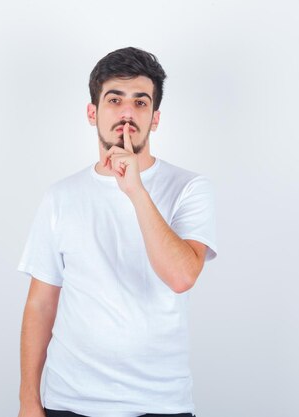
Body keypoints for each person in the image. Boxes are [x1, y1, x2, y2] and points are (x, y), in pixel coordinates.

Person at [16, 47, 218, 417]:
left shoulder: (189, 188)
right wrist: (28, 400)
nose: (127, 113)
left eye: (141, 103)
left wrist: (135, 190)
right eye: (115, 100)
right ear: (92, 112)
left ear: (155, 118)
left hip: (159, 402)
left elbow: (182, 276)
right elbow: (41, 303)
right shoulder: (61, 196)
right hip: (69, 402)